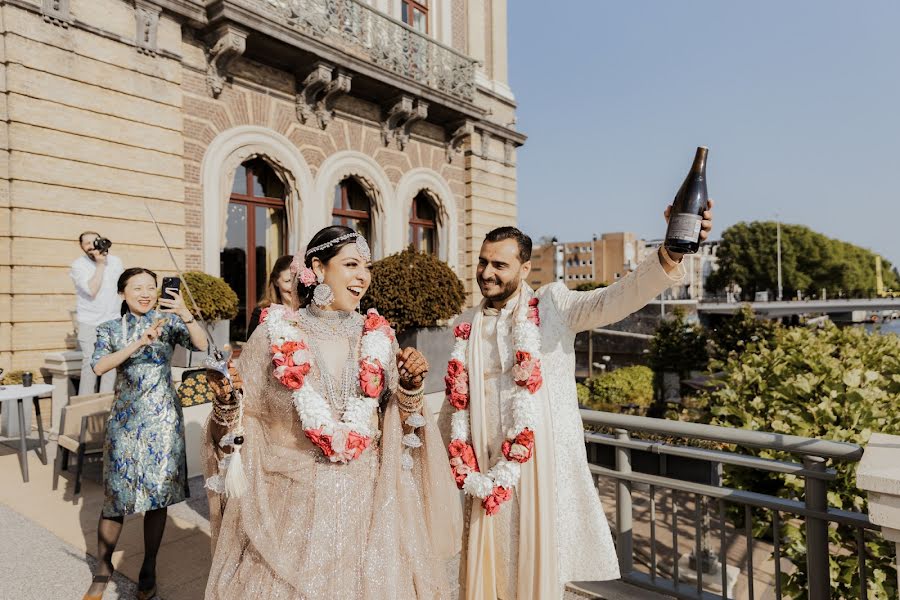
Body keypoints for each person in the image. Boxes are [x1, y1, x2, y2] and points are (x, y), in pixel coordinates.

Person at [441, 202, 714, 599]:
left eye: (499, 265)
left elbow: (616, 298)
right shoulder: (467, 325)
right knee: (488, 573)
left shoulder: (553, 306)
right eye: (483, 262)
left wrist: (672, 251)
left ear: (524, 269)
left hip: (540, 475)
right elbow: (454, 406)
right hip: (484, 473)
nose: (486, 273)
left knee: (537, 575)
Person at [204, 225, 462, 599]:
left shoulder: (379, 336)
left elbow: (401, 427)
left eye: (366, 267)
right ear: (318, 268)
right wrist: (228, 402)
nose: (363, 277)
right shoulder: (273, 333)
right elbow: (248, 422)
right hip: (293, 507)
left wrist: (409, 387)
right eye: (352, 264)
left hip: (369, 508)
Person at [82, 267, 208, 600]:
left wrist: (184, 312)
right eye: (137, 287)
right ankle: (103, 569)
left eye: (151, 287)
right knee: (115, 498)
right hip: (124, 421)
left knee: (158, 497)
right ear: (122, 293)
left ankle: (148, 567)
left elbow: (202, 345)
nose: (146, 292)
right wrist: (139, 342)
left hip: (163, 419)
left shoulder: (168, 323)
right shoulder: (110, 328)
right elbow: (99, 366)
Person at [70, 231, 124, 395]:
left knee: (110, 364)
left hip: (113, 320)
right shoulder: (78, 265)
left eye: (95, 241)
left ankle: (105, 406)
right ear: (82, 247)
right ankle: (85, 408)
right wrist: (100, 264)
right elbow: (92, 290)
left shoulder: (115, 261)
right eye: (87, 243)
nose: (92, 245)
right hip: (90, 322)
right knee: (90, 363)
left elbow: (122, 289)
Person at [246, 254, 293, 340]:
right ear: (276, 282)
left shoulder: (309, 311)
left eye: (297, 280)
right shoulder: (261, 312)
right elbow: (251, 348)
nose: (294, 287)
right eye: (288, 281)